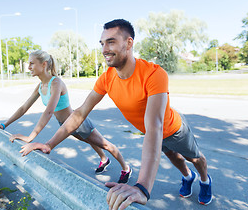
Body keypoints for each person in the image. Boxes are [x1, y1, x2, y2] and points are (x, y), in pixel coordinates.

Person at [28, 19, 213, 209]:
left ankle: (205, 181)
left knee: (195, 158)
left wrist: (142, 187)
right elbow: (80, 113)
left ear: (129, 43)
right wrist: (49, 144)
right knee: (174, 157)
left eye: (111, 42)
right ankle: (188, 177)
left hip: (173, 129)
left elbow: (155, 126)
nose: (104, 49)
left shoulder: (154, 74)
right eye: (102, 43)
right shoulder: (107, 78)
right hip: (155, 135)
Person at [0, 50, 131, 184]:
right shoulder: (40, 86)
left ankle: (126, 168)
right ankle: (104, 159)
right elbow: (24, 107)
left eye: (32, 63)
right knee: (90, 141)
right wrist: (4, 125)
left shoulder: (55, 83)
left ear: (44, 64)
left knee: (105, 144)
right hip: (64, 125)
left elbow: (49, 112)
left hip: (77, 122)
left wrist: (30, 137)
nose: (29, 67)